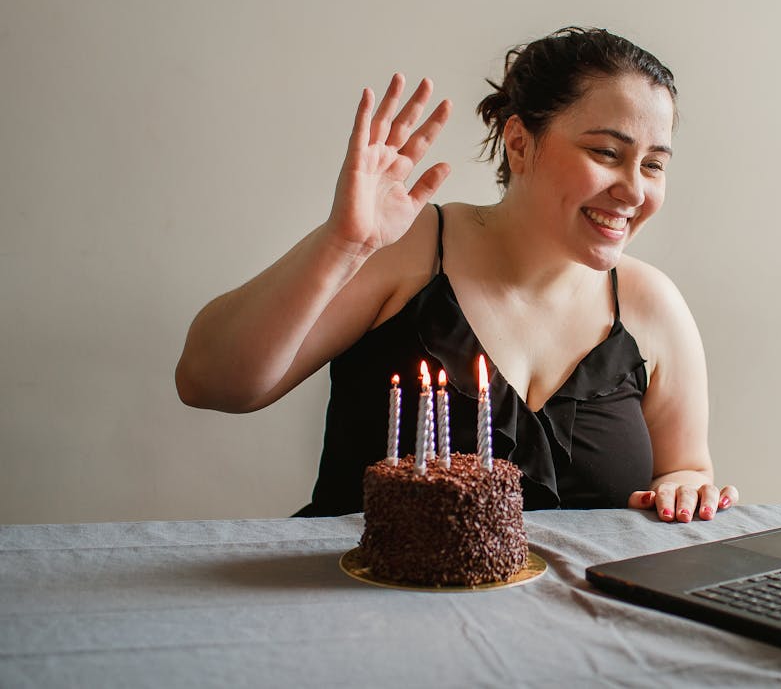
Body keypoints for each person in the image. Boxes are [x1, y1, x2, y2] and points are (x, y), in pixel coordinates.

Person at [176, 27, 737, 523]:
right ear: (519, 143)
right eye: (607, 152)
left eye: (654, 165)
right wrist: (342, 244)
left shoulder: (651, 305)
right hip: (361, 613)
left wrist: (685, 489)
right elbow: (210, 382)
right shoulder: (408, 250)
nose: (634, 190)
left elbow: (685, 468)